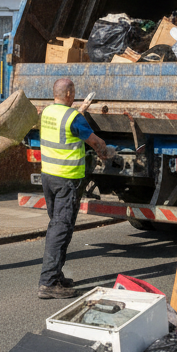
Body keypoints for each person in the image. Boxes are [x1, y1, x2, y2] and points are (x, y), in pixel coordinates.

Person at [37, 78, 116, 299]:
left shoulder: (47, 112)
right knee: (61, 229)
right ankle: (48, 282)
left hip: (49, 176)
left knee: (57, 224)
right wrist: (107, 152)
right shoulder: (74, 118)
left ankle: (56, 274)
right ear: (70, 93)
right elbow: (95, 142)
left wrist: (81, 109)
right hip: (67, 180)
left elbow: (66, 126)